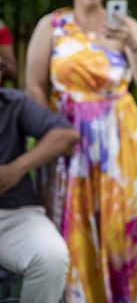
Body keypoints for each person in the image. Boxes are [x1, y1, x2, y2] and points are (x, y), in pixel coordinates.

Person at [25, 0, 137, 302]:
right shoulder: (52, 26)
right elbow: (35, 85)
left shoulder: (125, 26)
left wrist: (133, 44)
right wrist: (50, 132)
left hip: (121, 143)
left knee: (121, 228)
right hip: (70, 141)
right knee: (76, 224)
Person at [0, 63, 79, 303]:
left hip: (13, 215)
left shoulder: (14, 103)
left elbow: (66, 136)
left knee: (51, 257)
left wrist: (16, 169)